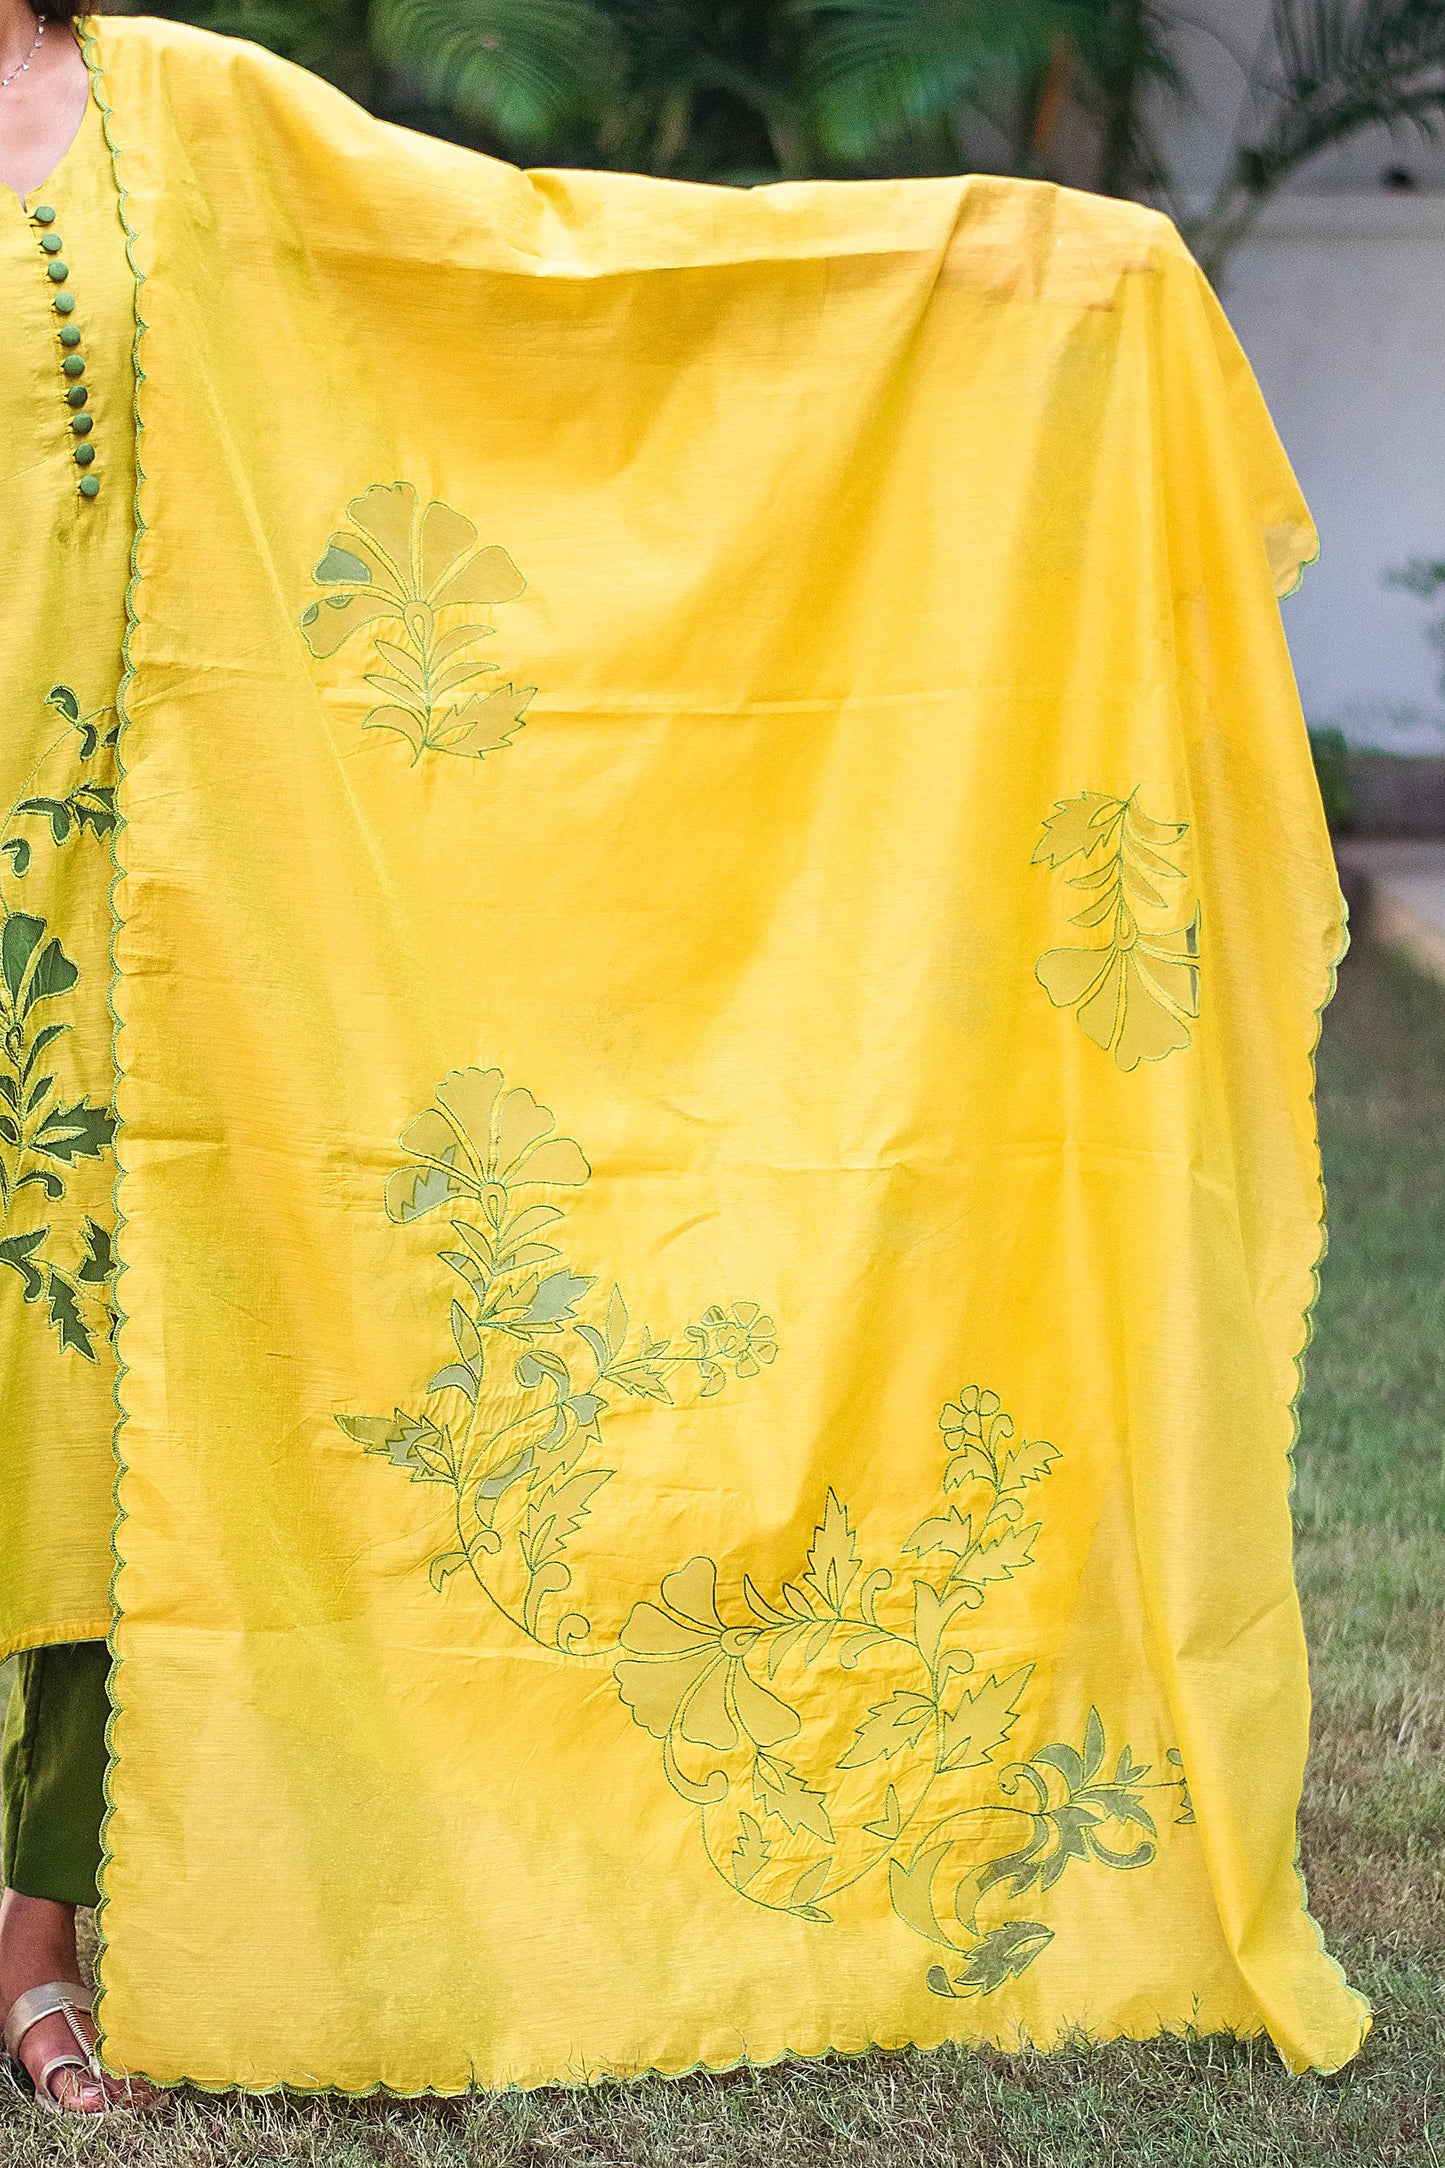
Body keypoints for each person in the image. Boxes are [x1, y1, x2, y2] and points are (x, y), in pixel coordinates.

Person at [0, 0, 139, 2115]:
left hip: (96, 855)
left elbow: (510, 274)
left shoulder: (172, 110)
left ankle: (36, 1939)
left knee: (71, 1371)